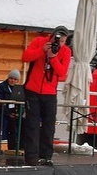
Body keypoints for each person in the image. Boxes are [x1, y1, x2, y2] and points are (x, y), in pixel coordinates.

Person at [21, 26, 72, 166]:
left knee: (49, 125)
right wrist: (42, 50)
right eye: (58, 40)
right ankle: (31, 156)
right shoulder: (39, 41)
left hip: (50, 93)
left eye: (63, 41)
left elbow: (62, 72)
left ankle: (46, 155)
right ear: (51, 37)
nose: (60, 44)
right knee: (32, 124)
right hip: (33, 90)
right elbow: (25, 57)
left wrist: (53, 58)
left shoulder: (66, 51)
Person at [0, 69, 22, 152]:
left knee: (22, 123)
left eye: (15, 79)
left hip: (13, 112)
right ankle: (11, 147)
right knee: (10, 124)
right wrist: (8, 113)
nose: (13, 81)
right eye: (11, 78)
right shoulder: (1, 87)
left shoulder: (18, 90)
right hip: (2, 112)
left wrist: (18, 113)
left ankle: (20, 146)